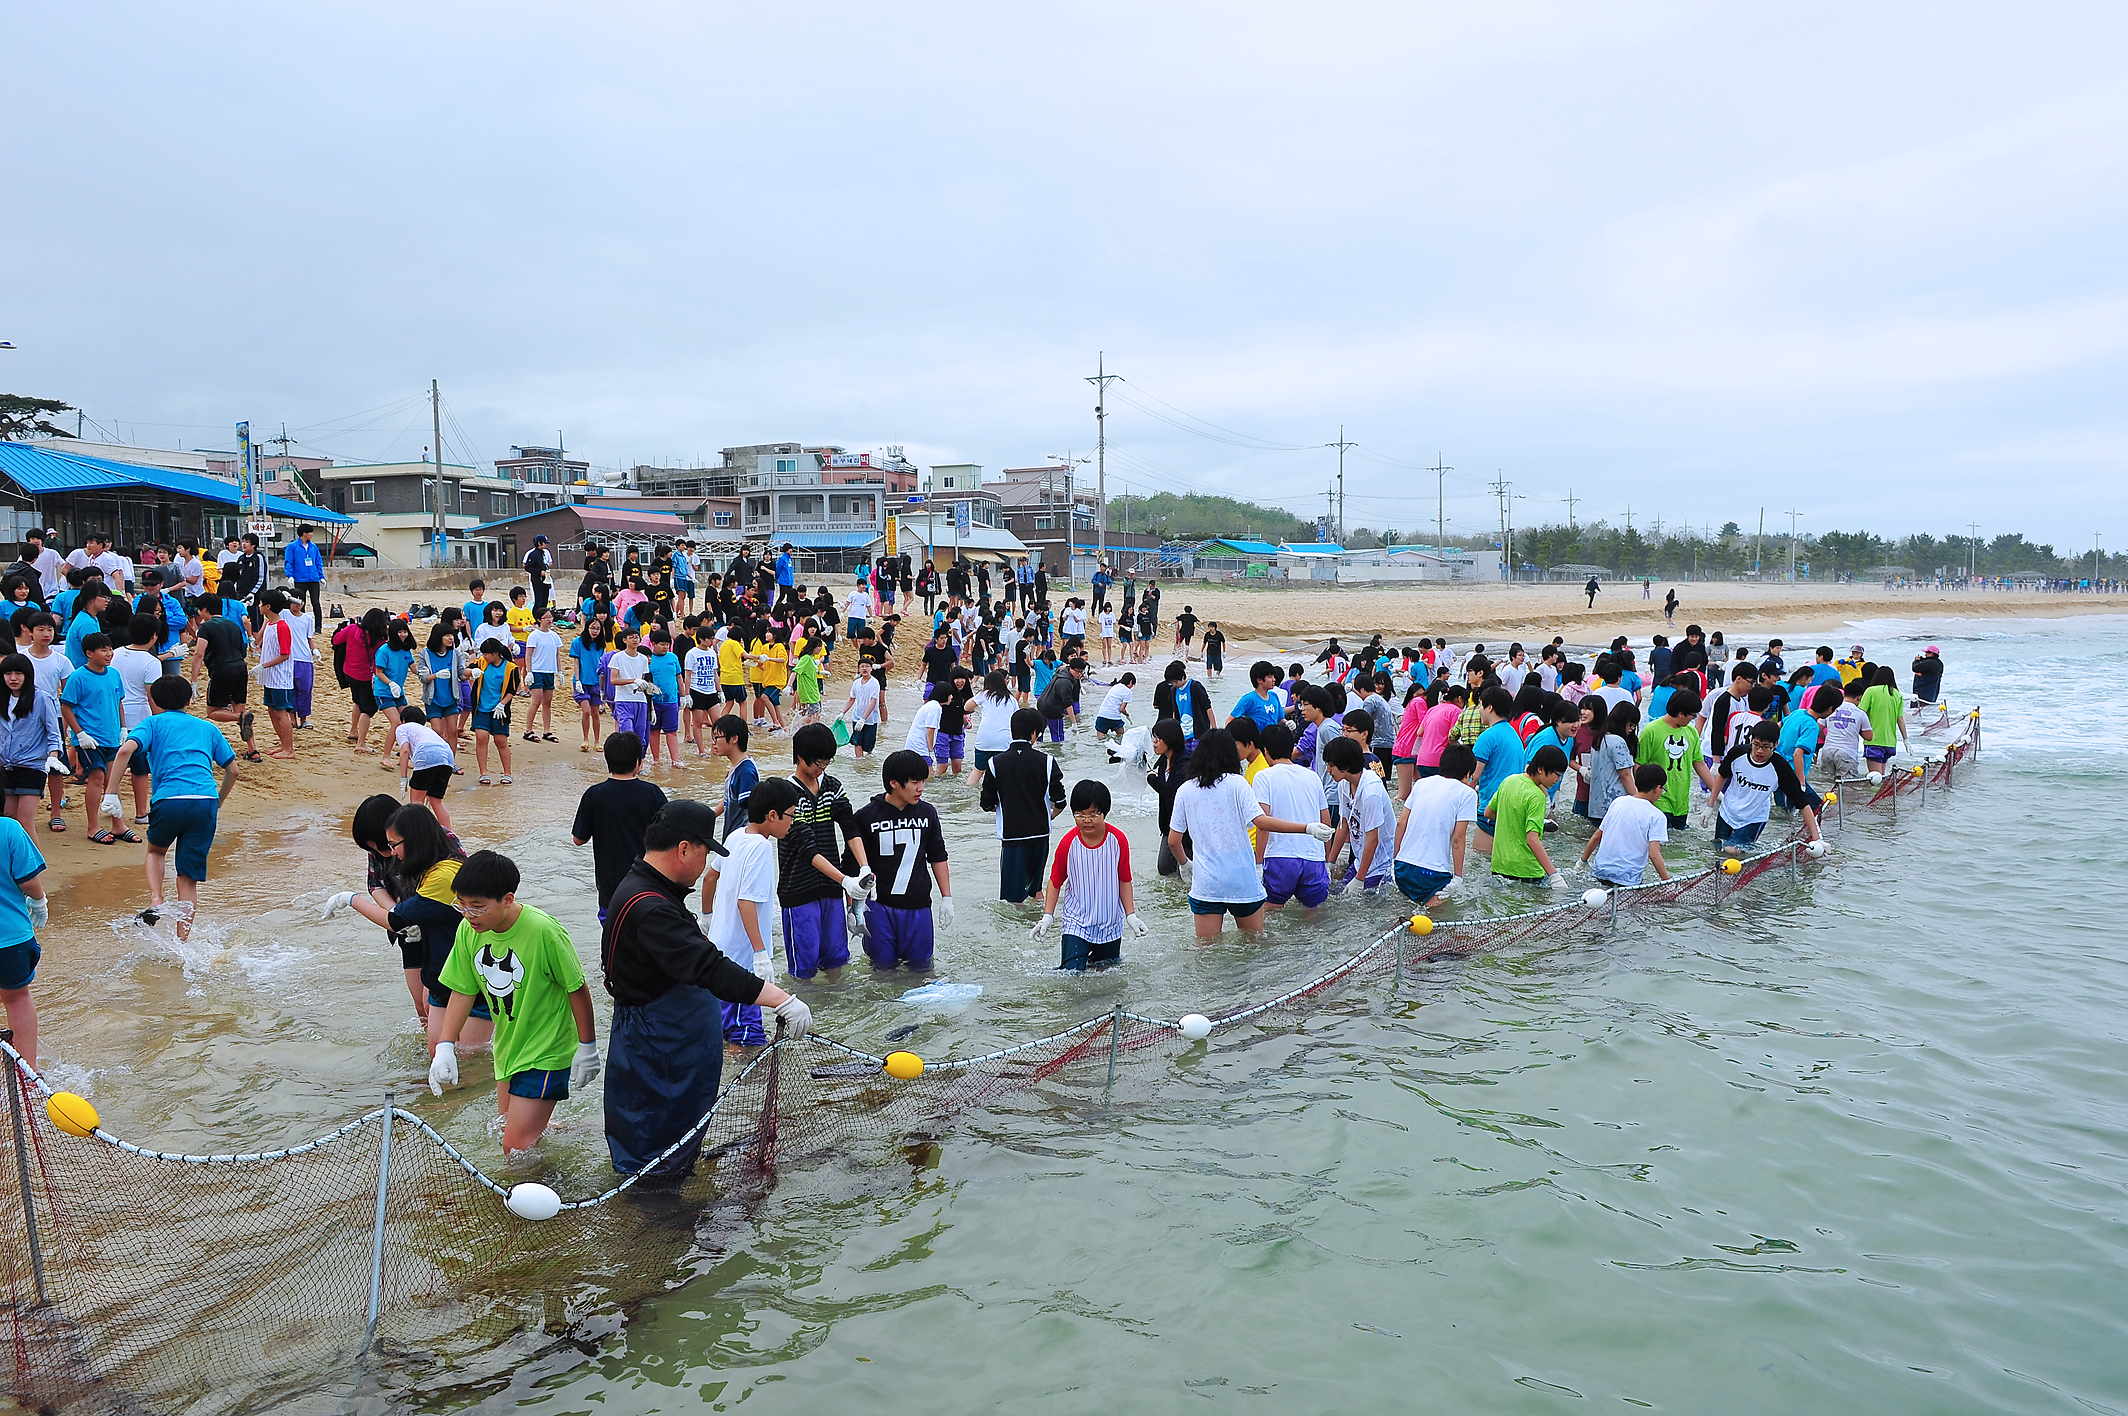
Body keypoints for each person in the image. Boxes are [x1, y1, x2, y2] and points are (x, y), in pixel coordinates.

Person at [425, 850, 599, 1158]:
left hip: (547, 1051)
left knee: (515, 1148)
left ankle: (525, 1198)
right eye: (461, 904)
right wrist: (445, 1045)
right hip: (508, 1049)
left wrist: (587, 1047)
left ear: (507, 899)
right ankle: (583, 1129)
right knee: (503, 1127)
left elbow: (577, 988)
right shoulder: (468, 930)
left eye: (477, 906)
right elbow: (463, 990)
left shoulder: (544, 932)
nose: (468, 914)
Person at [105, 677, 240, 933]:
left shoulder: (153, 724)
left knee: (156, 851)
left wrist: (111, 793)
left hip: (168, 800)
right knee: (188, 878)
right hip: (205, 801)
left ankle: (156, 898)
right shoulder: (207, 728)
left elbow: (124, 752)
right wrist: (218, 801)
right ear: (189, 701)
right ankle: (182, 941)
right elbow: (232, 770)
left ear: (153, 700)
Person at [776, 723, 874, 981]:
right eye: (817, 764)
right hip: (798, 891)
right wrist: (844, 880)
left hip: (831, 891)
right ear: (800, 757)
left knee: (837, 962)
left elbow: (848, 825)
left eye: (826, 763)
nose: (822, 769)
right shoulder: (787, 794)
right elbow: (805, 847)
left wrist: (863, 868)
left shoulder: (832, 786)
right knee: (804, 971)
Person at [851, 750, 952, 972]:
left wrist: (947, 898)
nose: (921, 788)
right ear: (894, 783)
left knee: (921, 970)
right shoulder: (866, 817)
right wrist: (852, 909)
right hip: (878, 908)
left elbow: (938, 855)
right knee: (882, 971)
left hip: (918, 907)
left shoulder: (927, 813)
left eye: (923, 781)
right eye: (914, 782)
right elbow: (851, 867)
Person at [1170, 728, 1275, 939]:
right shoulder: (1238, 784)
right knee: (1253, 946)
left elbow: (1173, 841)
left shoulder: (1185, 789)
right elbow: (1261, 822)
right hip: (1241, 879)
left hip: (1206, 883)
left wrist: (1185, 864)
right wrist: (1306, 828)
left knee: (1206, 952)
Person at [1030, 779, 1143, 971]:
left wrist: (1130, 915)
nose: (1087, 820)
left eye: (1093, 814)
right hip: (1077, 923)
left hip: (1109, 923)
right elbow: (1055, 881)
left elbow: (1124, 879)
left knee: (1105, 977)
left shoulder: (1118, 840)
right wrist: (1048, 917)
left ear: (1104, 813)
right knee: (1071, 976)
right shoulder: (1068, 843)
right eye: (1080, 814)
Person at [571, 731, 668, 921]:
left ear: (608, 761)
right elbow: (667, 835)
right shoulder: (652, 793)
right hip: (647, 884)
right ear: (638, 762)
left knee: (613, 941)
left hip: (611, 888)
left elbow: (578, 839)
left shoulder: (594, 794)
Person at [980, 707, 1065, 903]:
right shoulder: (1048, 761)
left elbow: (986, 803)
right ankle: (1038, 925)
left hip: (1012, 836)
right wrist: (1048, 815)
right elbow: (1060, 801)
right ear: (1034, 733)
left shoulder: (995, 763)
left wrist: (1006, 808)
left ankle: (1017, 931)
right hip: (1041, 835)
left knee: (1013, 899)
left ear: (1012, 731)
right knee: (1035, 890)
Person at [1252, 724, 1333, 914]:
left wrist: (1258, 864)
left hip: (1280, 857)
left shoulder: (1263, 776)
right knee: (1314, 914)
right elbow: (1326, 824)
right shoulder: (1312, 776)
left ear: (1265, 751)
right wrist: (1327, 861)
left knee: (1269, 911)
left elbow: (1262, 824)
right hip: (1314, 857)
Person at [1712, 720, 1822, 854]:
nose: (1759, 751)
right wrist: (1709, 805)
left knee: (1732, 850)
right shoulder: (1737, 754)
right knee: (1718, 850)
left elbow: (1802, 801)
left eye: (1765, 747)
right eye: (1756, 745)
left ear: (1776, 744)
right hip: (1727, 811)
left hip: (1754, 819)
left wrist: (1817, 839)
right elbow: (1722, 775)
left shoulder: (1780, 768)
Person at [59, 632, 128, 843]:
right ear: (89, 653)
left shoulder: (114, 674)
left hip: (111, 737)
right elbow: (66, 706)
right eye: (103, 650)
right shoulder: (78, 677)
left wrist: (123, 728)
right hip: (90, 738)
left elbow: (118, 702)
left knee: (113, 780)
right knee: (97, 778)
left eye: (110, 649)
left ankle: (118, 824)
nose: (109, 654)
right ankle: (93, 826)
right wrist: (79, 733)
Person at [1392, 742, 1478, 907]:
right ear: (1468, 775)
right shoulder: (1467, 793)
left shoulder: (1421, 783)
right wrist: (1458, 877)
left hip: (1402, 867)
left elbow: (1401, 823)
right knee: (1436, 925)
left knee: (1405, 916)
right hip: (1433, 873)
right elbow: (1458, 838)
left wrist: (1395, 859)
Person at [0, 808, 48, 1067]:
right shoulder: (8, 829)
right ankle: (28, 1073)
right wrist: (40, 901)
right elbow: (28, 881)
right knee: (17, 998)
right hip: (10, 939)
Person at [1488, 745, 1570, 888]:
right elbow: (1532, 840)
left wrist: (1513, 821)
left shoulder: (1509, 780)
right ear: (1540, 769)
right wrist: (1553, 875)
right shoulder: (1537, 796)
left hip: (1499, 867)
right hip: (1527, 872)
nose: (1558, 779)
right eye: (1557, 774)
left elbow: (1488, 813)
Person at [1635, 691, 1718, 830]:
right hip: (1658, 799)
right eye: (1691, 715)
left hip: (1682, 802)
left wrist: (1716, 794)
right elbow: (1638, 765)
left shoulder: (1691, 732)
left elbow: (1700, 764)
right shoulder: (1651, 731)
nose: (1692, 719)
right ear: (1681, 713)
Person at [0, 655, 62, 838]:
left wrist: (53, 756)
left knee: (25, 822)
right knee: (9, 820)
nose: (13, 678)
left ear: (27, 675)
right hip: (6, 767)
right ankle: (14, 865)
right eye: (8, 673)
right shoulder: (2, 699)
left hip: (32, 767)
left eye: (18, 673)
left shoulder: (42, 699)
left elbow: (54, 733)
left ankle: (35, 865)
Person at [1580, 764, 1671, 887]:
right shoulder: (1656, 816)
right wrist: (1667, 881)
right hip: (1626, 879)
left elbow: (1597, 835)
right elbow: (1654, 854)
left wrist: (1582, 861)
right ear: (1657, 788)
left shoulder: (1618, 802)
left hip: (1599, 872)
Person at [1323, 736, 1393, 896]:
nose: (1328, 770)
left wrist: (1360, 878)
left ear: (1345, 766)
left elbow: (1373, 839)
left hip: (1381, 866)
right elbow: (1344, 824)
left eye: (1331, 765)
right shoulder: (1343, 785)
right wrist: (1331, 862)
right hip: (1360, 861)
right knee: (1333, 896)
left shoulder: (1371, 792)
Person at [389, 704, 457, 828]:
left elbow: (405, 750)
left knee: (416, 802)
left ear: (403, 720)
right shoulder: (428, 731)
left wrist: (403, 778)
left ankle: (418, 833)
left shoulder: (402, 727)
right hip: (448, 756)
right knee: (436, 800)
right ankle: (449, 835)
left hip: (427, 754)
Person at [471, 639, 518, 785]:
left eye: (487, 654)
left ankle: (507, 773)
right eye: (483, 653)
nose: (484, 656)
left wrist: (502, 704)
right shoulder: (481, 663)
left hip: (499, 710)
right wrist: (472, 671)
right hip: (481, 708)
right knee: (482, 738)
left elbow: (512, 690)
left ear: (496, 653)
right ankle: (483, 773)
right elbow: (465, 672)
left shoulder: (511, 668)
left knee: (500, 741)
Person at [1858, 667, 1907, 774]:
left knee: (1875, 778)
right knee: (1881, 774)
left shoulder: (1871, 691)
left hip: (1874, 740)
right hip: (1890, 743)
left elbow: (1861, 713)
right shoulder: (1897, 694)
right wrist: (1905, 740)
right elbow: (1900, 719)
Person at [283, 524, 326, 624]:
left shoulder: (313, 547)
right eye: (310, 532)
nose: (312, 535)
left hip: (313, 579)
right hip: (300, 579)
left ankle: (318, 626)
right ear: (304, 534)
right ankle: (301, 623)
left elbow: (318, 562)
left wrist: (321, 576)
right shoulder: (292, 547)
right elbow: (289, 562)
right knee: (301, 603)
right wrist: (290, 576)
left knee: (316, 602)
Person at [522, 535, 553, 618]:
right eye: (544, 543)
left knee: (544, 601)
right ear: (539, 543)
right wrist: (539, 572)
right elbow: (528, 567)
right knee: (538, 601)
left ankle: (543, 617)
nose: (546, 545)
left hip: (545, 580)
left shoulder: (543, 554)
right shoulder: (533, 554)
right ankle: (535, 618)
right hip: (537, 580)